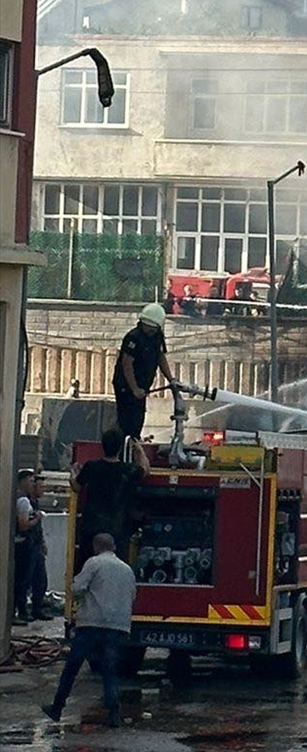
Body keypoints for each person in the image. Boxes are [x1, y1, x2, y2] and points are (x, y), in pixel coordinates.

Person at [42, 533, 136, 728]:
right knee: (110, 670)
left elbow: (77, 589)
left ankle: (57, 708)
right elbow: (132, 596)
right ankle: (114, 715)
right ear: (114, 547)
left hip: (91, 624)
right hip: (117, 626)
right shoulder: (127, 569)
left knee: (72, 667)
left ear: (96, 547)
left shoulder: (94, 563)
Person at [71, 429, 150, 568]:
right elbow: (144, 469)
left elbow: (76, 486)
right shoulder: (128, 470)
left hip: (92, 528)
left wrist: (73, 473)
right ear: (120, 448)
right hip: (118, 529)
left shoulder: (92, 467)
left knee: (88, 567)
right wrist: (139, 450)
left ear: (103, 446)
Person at [112, 303, 175, 440]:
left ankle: (135, 441)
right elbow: (127, 364)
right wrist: (134, 388)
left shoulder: (157, 337)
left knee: (138, 419)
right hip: (126, 385)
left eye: (153, 328)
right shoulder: (133, 337)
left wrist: (171, 379)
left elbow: (160, 357)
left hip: (142, 386)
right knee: (127, 421)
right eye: (148, 327)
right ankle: (126, 445)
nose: (150, 330)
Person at [14, 469, 51, 623]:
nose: (41, 489)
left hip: (34, 544)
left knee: (39, 579)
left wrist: (41, 541)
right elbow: (23, 525)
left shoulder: (31, 502)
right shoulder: (23, 501)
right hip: (27, 545)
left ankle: (36, 609)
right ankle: (22, 611)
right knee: (24, 580)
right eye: (33, 483)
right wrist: (38, 518)